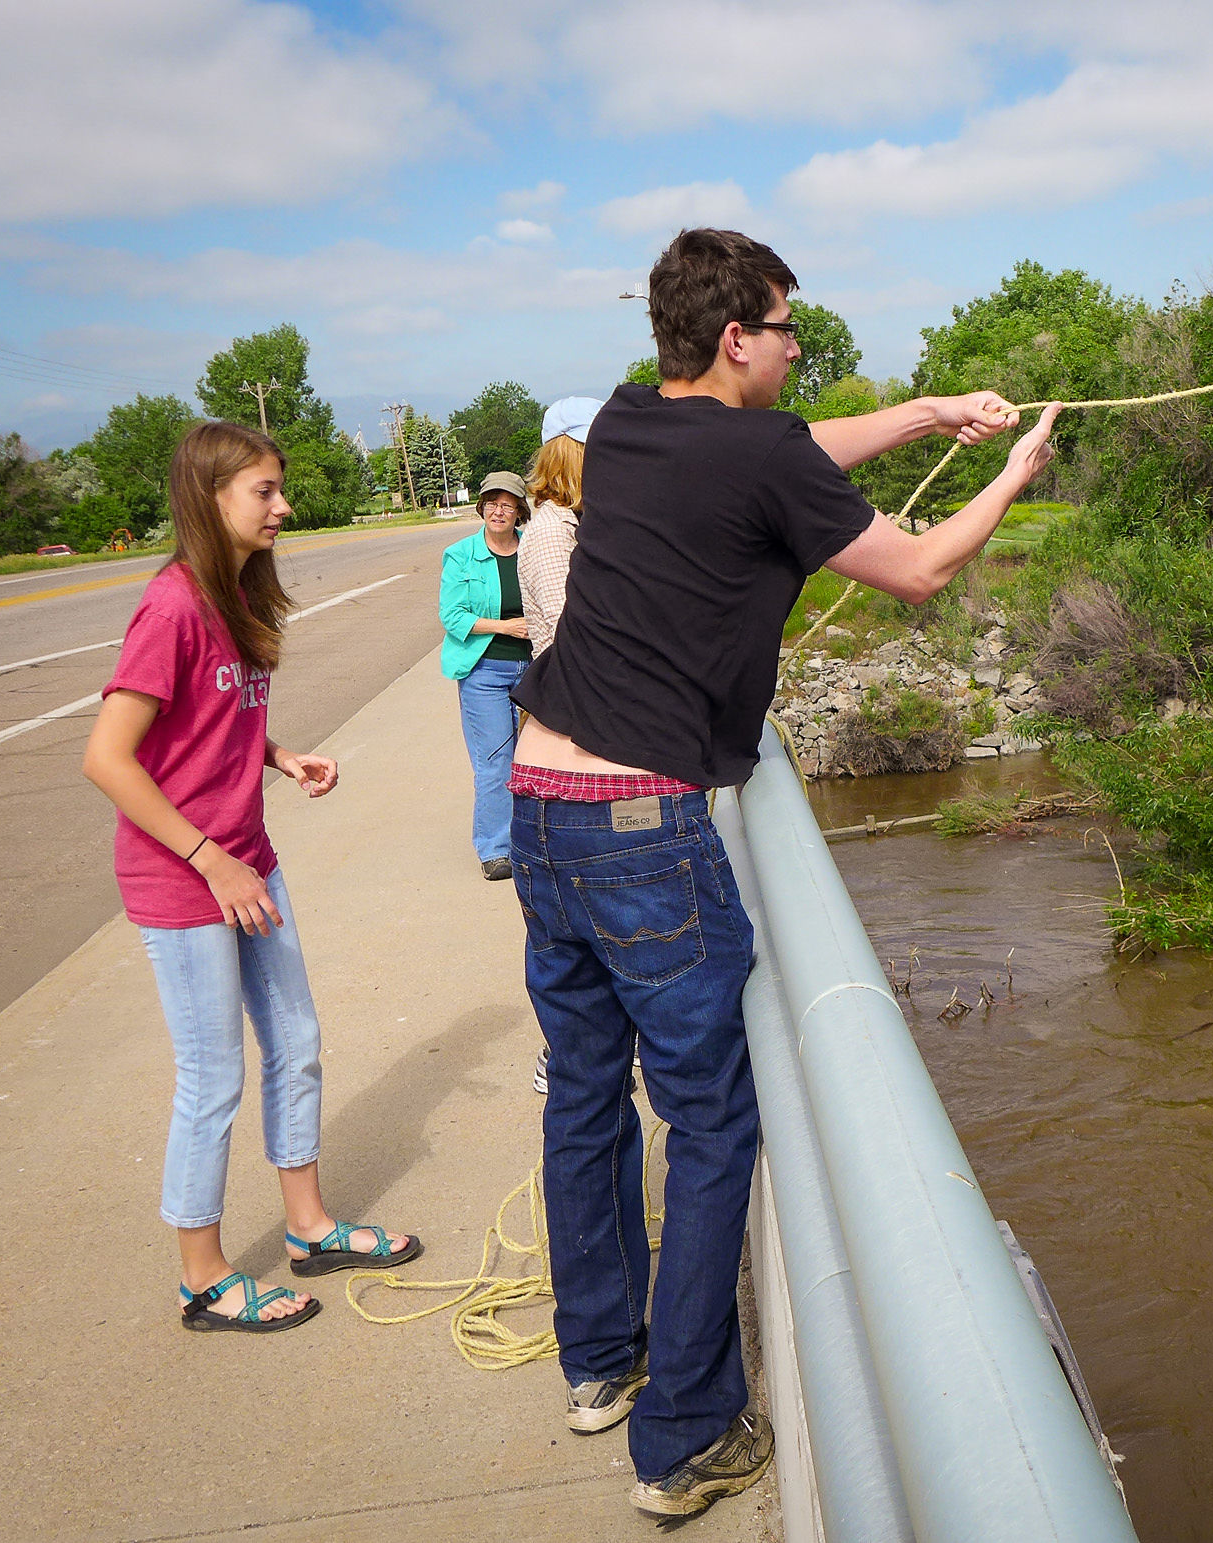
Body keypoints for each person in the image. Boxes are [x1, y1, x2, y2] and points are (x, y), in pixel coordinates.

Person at [508, 226, 1060, 1518]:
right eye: (788, 326)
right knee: (709, 1120)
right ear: (739, 338)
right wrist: (1014, 472)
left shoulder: (634, 417)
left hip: (539, 805)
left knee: (585, 1093)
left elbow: (793, 449)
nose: (802, 346)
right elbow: (918, 568)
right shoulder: (747, 448)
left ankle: (600, 1361)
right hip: (643, 824)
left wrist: (929, 417)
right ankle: (685, 1431)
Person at [82, 420, 421, 1335]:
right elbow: (110, 758)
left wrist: (276, 756)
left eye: (279, 488)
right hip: (188, 878)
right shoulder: (173, 606)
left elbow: (200, 726)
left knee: (298, 1039)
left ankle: (308, 1225)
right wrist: (209, 857)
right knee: (212, 1075)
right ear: (210, 497)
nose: (284, 505)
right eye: (263, 491)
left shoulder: (233, 596)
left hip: (246, 863)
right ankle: (202, 1275)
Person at [439, 470, 533, 880]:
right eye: (492, 502)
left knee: (535, 762)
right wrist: (505, 627)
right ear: (481, 507)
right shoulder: (460, 555)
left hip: (534, 669)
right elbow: (452, 615)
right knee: (496, 761)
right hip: (484, 671)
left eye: (508, 504)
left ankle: (533, 843)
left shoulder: (533, 549)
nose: (499, 510)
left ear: (519, 512)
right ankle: (495, 849)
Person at [518, 395, 603, 660]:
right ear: (568, 456)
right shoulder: (552, 530)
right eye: (596, 447)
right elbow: (569, 631)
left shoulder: (581, 519)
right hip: (576, 690)